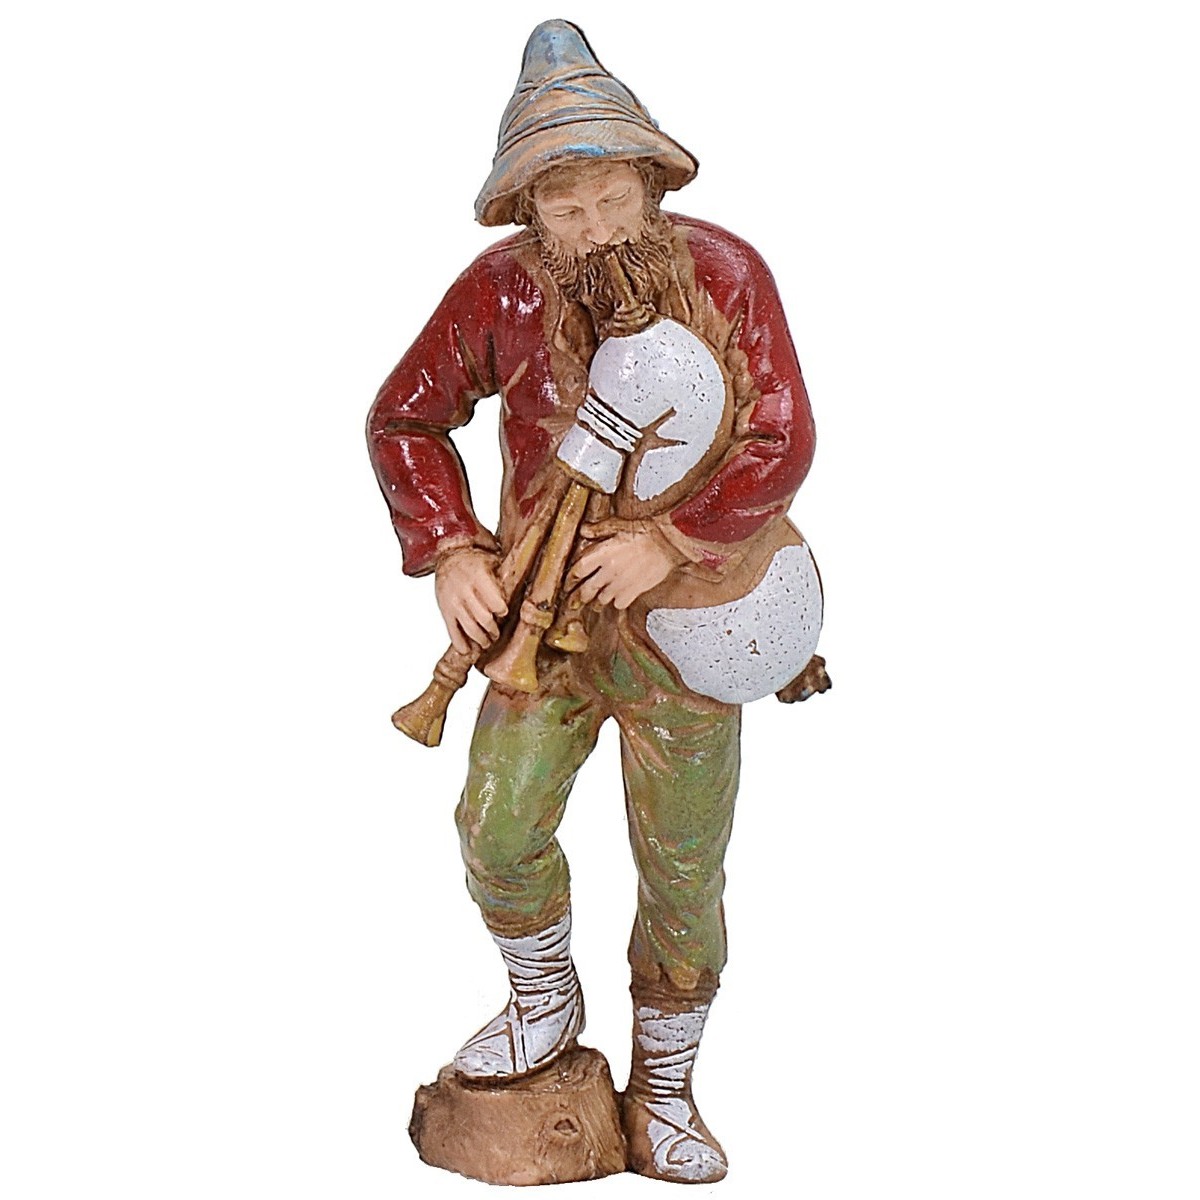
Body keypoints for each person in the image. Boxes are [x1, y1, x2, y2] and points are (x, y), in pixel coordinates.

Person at [367, 20, 816, 1184]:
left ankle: (665, 1087)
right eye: (565, 209)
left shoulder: (725, 275)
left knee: (684, 866)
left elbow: (779, 433)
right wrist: (452, 551)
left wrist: (670, 540)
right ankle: (543, 1002)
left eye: (613, 198)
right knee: (496, 824)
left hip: (692, 626)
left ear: (651, 183)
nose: (596, 228)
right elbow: (406, 418)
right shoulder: (499, 293)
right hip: (545, 624)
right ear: (529, 211)